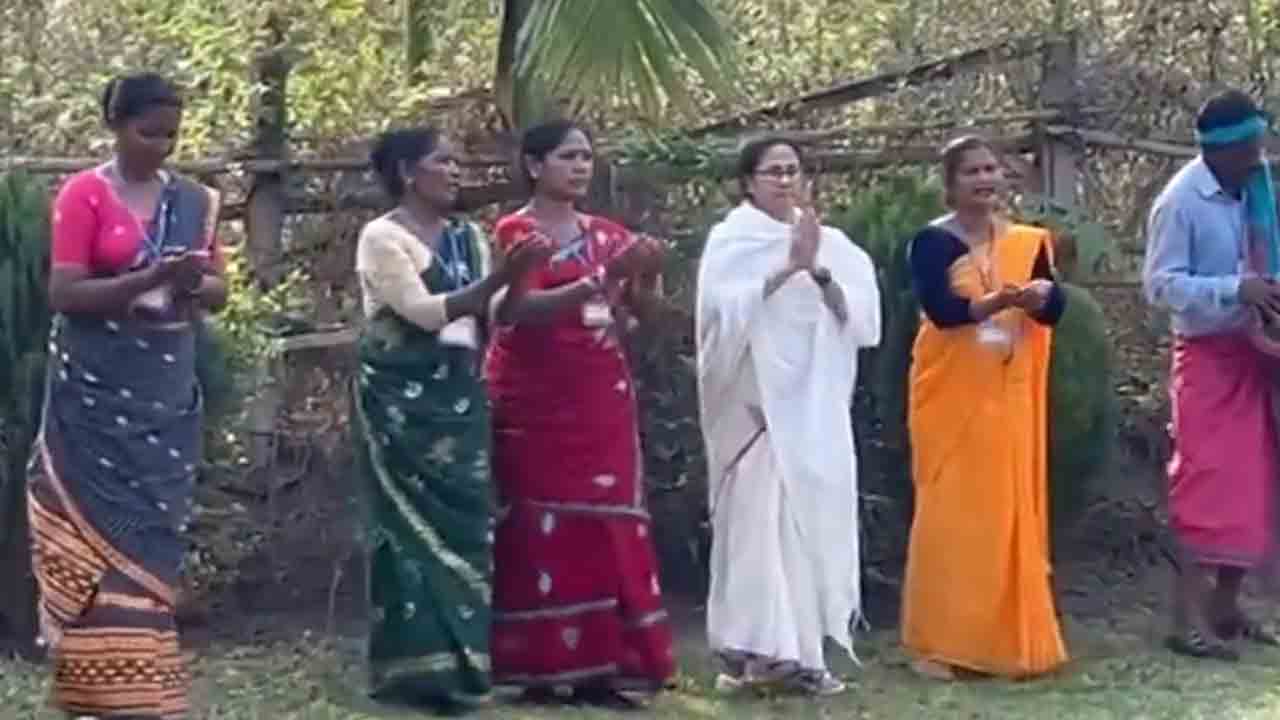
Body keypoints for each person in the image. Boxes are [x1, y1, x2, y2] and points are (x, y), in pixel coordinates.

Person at [27, 72, 225, 719]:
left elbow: (220, 290)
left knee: (151, 537)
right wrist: (148, 277)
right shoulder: (84, 195)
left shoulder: (193, 201)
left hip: (163, 398)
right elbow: (65, 293)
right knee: (91, 536)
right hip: (93, 399)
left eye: (171, 135)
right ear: (116, 126)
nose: (161, 146)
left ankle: (142, 690)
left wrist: (193, 284)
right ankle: (95, 692)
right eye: (148, 132)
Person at [352, 127, 549, 708]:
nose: (456, 170)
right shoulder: (381, 237)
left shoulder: (468, 237)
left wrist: (523, 279)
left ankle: (465, 666)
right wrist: (503, 276)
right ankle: (412, 671)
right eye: (443, 161)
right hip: (400, 402)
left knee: (467, 522)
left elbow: (494, 311)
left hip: (459, 397)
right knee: (407, 527)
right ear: (408, 173)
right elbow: (423, 311)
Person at [483, 120, 675, 707]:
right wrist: (602, 277)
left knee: (607, 521)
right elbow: (520, 310)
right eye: (568, 156)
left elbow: (644, 315)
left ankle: (608, 667)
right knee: (539, 523)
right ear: (534, 165)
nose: (580, 166)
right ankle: (541, 666)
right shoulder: (518, 233)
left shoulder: (610, 235)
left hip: (600, 396)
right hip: (534, 398)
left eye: (587, 156)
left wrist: (645, 274)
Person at [695, 137, 880, 696]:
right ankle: (757, 651)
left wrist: (817, 271)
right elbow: (719, 315)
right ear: (747, 182)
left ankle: (803, 655)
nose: (783, 180)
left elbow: (863, 323)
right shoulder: (732, 240)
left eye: (791, 169)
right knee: (756, 525)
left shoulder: (834, 244)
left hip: (812, 410)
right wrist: (786, 268)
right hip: (752, 408)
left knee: (805, 524)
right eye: (771, 171)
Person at [900, 135, 1069, 680]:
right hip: (952, 396)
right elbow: (942, 311)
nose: (984, 179)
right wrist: (995, 302)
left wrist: (1042, 298)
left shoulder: (1026, 241)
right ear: (950, 184)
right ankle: (943, 644)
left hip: (1008, 395)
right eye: (972, 172)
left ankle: (1006, 643)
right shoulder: (933, 242)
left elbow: (1055, 308)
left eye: (991, 169)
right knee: (953, 516)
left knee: (1006, 515)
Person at [1142, 89, 1280, 661]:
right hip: (1206, 357)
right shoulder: (1180, 203)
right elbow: (1159, 285)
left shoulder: (1258, 190)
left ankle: (1227, 608)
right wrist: (1233, 290)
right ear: (1217, 151)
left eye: (1260, 145)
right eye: (1248, 148)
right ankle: (1186, 621)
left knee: (1254, 487)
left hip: (1257, 354)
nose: (1258, 158)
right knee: (1204, 485)